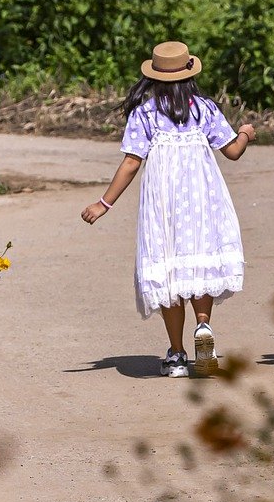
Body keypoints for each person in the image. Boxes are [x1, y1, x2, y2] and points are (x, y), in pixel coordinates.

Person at [82, 41, 254, 377]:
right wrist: (246, 133)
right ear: (189, 76)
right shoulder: (204, 109)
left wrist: (104, 203)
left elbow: (132, 162)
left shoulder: (145, 114)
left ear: (155, 78)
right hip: (202, 200)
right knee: (198, 260)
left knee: (169, 267)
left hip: (162, 203)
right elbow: (232, 151)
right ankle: (203, 327)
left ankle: (176, 355)